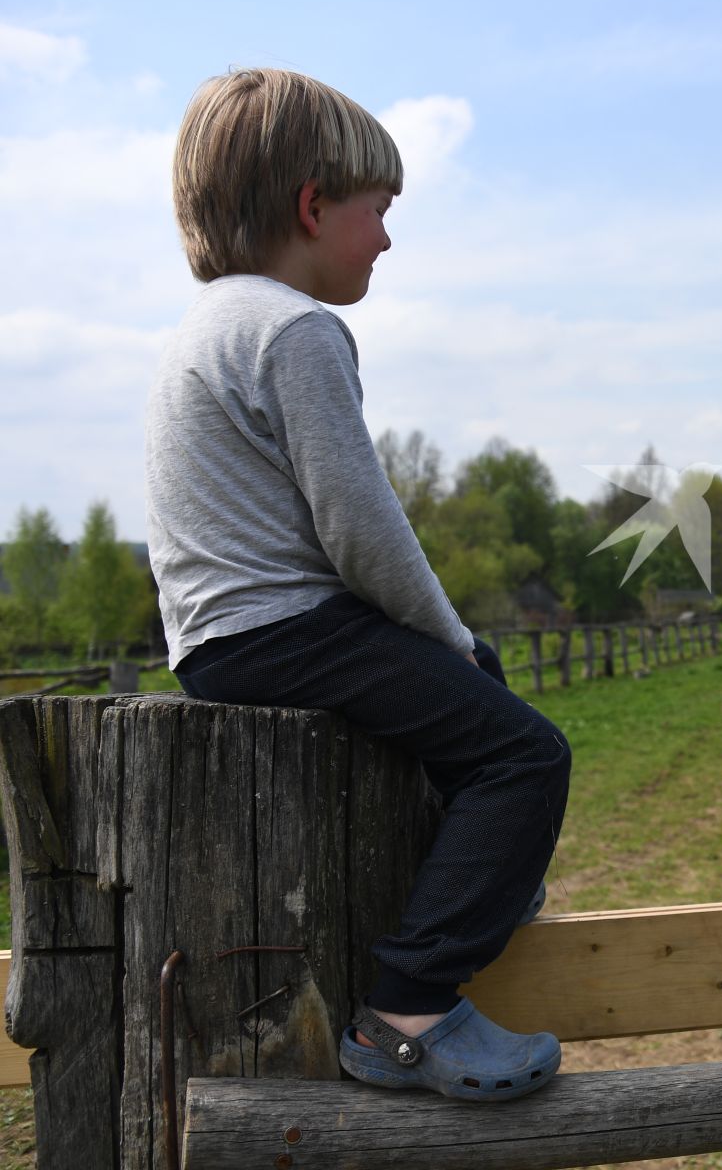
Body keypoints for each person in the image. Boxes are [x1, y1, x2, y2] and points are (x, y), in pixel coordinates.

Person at [148, 68, 569, 1102]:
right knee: (524, 749)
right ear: (313, 205)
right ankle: (408, 1007)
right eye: (379, 212)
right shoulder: (296, 331)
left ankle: (475, 891)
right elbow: (363, 530)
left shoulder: (206, 324)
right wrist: (448, 629)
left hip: (218, 639)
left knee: (476, 698)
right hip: (286, 625)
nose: (386, 239)